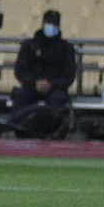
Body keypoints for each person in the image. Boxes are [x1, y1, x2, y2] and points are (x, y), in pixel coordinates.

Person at [10, 10, 75, 139]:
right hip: (32, 86)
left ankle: (52, 131)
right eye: (49, 22)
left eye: (54, 23)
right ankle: (20, 128)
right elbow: (20, 70)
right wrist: (35, 83)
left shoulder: (66, 48)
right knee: (20, 96)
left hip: (55, 88)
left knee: (59, 100)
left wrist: (52, 84)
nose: (51, 26)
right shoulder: (29, 45)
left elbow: (69, 76)